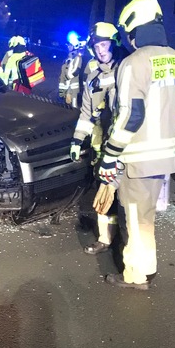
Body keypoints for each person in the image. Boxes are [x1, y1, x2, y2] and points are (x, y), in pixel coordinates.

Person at [98, 0, 175, 290]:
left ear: (135, 29)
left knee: (135, 220)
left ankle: (135, 276)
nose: (129, 40)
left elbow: (130, 116)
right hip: (164, 159)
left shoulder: (132, 63)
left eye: (129, 34)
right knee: (147, 217)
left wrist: (110, 154)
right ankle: (148, 267)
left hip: (136, 159)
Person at [70, 22, 121, 254]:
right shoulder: (92, 76)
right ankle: (105, 239)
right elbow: (86, 113)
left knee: (125, 197)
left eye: (104, 43)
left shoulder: (126, 69)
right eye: (96, 45)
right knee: (104, 192)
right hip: (103, 145)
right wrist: (77, 140)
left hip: (126, 147)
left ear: (114, 43)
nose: (100, 49)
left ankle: (124, 240)